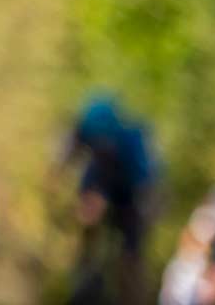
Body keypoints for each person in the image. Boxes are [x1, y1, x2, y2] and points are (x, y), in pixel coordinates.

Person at [64, 92, 160, 305]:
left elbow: (148, 190)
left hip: (132, 190)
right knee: (88, 220)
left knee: (130, 256)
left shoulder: (133, 144)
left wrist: (143, 217)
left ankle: (132, 294)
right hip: (106, 180)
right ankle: (85, 276)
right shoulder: (90, 136)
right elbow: (68, 157)